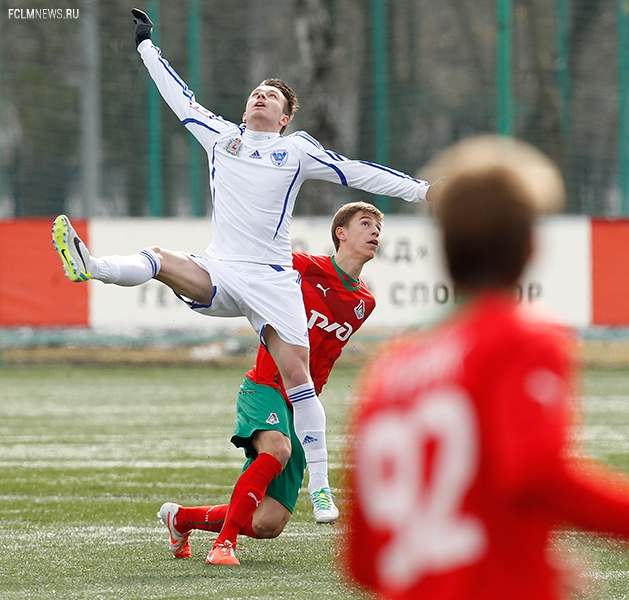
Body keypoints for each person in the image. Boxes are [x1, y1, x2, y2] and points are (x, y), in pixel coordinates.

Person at [52, 8, 433, 523]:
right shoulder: (219, 137)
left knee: (298, 377)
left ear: (284, 119)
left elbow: (357, 172)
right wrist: (146, 47)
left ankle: (321, 489)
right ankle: (91, 265)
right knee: (161, 259)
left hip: (274, 281)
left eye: (272, 96)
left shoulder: (296, 150)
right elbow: (177, 97)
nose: (260, 96)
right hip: (224, 271)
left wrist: (422, 190)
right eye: (256, 91)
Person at [344, 136, 629, 600]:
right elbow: (537, 471)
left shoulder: (390, 368)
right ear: (531, 247)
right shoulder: (521, 338)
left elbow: (362, 561)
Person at [155, 201, 382, 565]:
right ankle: (223, 546)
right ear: (340, 233)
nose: (375, 233)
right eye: (366, 224)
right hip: (265, 385)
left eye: (378, 229)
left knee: (267, 523)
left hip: (303, 406)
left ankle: (181, 518)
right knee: (276, 448)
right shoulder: (305, 268)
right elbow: (254, 272)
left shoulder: (364, 302)